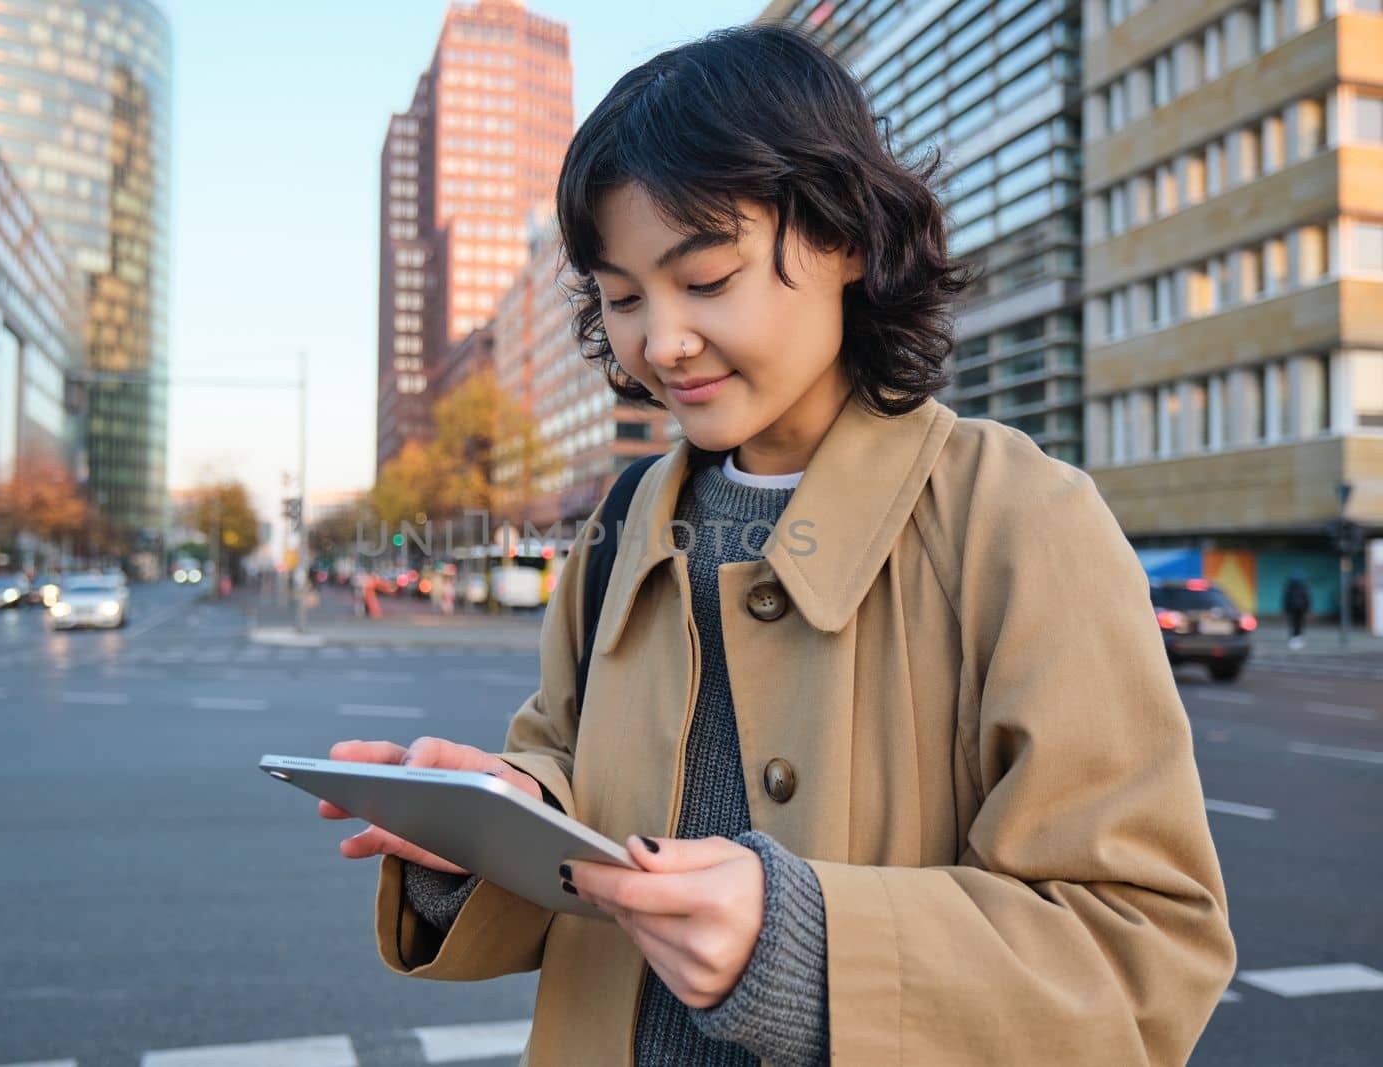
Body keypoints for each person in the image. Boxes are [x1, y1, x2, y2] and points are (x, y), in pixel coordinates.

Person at [321, 25, 1233, 1065]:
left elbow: (1145, 949)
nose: (658, 340)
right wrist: (492, 826)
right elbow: (573, 793)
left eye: (705, 277)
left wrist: (804, 950)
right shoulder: (623, 524)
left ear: (845, 236)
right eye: (621, 297)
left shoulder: (1017, 515)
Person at [1283, 571, 1311, 650]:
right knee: (1298, 624)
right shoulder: (1303, 587)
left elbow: (1286, 599)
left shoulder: (1289, 587)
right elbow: (1307, 599)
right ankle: (1297, 639)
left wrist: (1285, 610)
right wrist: (1307, 609)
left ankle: (1294, 640)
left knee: (1294, 624)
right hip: (1300, 609)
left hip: (1293, 609)